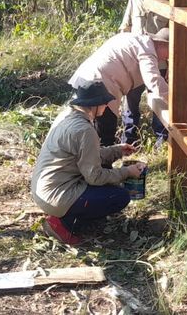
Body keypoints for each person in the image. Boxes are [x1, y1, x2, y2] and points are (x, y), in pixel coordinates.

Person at [31, 81, 147, 245]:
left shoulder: (69, 117)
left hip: (43, 190)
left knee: (106, 190)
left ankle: (70, 215)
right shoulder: (85, 130)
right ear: (96, 105)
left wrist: (117, 150)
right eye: (105, 102)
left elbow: (87, 155)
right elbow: (95, 176)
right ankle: (63, 224)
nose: (107, 106)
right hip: (56, 196)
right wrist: (127, 172)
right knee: (119, 196)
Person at [69, 28, 171, 146]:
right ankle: (101, 163)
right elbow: (153, 79)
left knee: (86, 130)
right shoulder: (148, 49)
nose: (167, 58)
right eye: (170, 52)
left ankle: (89, 161)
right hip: (99, 87)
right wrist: (172, 100)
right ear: (162, 44)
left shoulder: (135, 39)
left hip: (85, 79)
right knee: (105, 135)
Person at [119, 0, 170, 145]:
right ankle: (129, 142)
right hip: (134, 63)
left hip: (158, 64)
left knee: (159, 102)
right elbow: (125, 27)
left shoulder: (169, 7)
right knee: (130, 105)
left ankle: (161, 142)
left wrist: (170, 68)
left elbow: (172, 41)